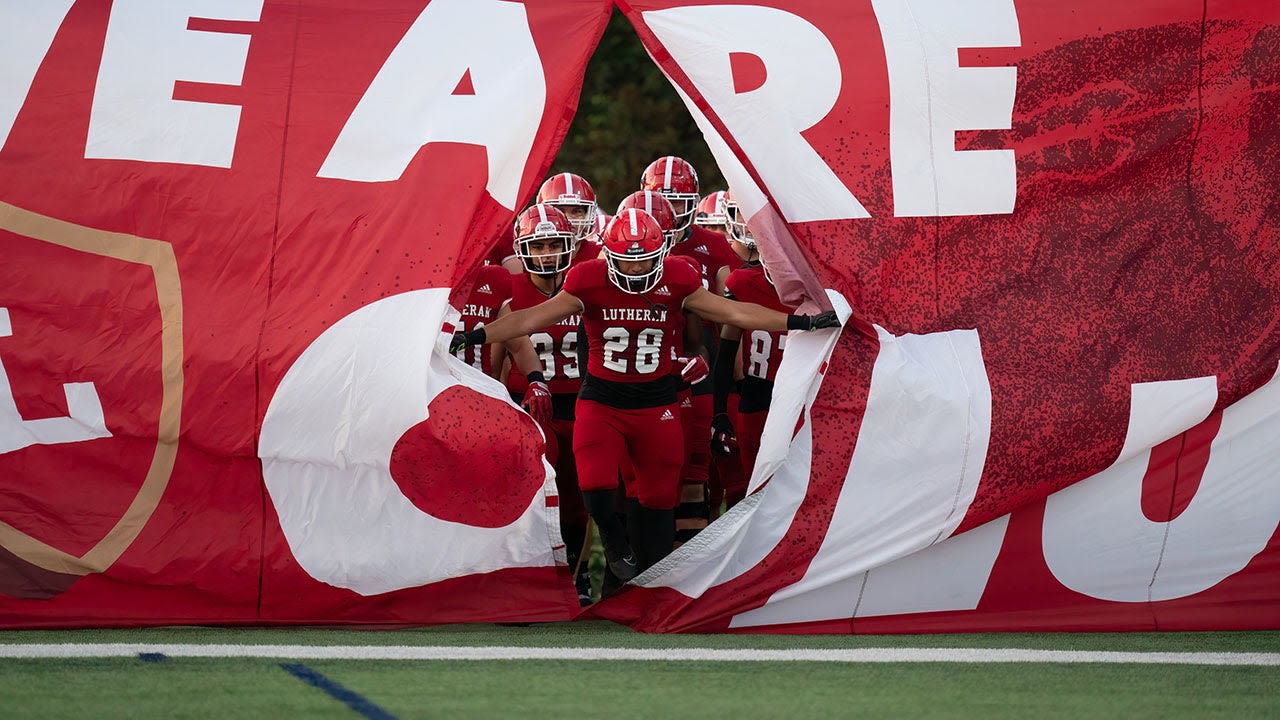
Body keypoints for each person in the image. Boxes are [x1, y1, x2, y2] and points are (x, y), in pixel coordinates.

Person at [451, 209, 840, 580]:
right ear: (608, 254)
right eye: (627, 260)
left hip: (657, 404)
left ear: (662, 253)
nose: (637, 269)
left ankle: (643, 584)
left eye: (645, 260)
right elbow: (530, 318)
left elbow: (734, 313)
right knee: (596, 489)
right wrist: (476, 334)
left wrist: (798, 322)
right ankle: (616, 546)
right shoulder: (588, 279)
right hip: (603, 400)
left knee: (657, 503)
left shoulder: (678, 278)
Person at [495, 203, 593, 604]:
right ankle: (530, 578)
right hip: (528, 408)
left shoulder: (585, 290)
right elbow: (497, 364)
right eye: (541, 245)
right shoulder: (512, 299)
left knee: (578, 502)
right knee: (532, 498)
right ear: (523, 249)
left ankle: (579, 575)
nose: (549, 253)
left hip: (582, 405)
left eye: (556, 243)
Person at [642, 158, 740, 540]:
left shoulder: (713, 245)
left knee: (698, 473)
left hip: (700, 363)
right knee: (647, 479)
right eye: (661, 199)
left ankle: (685, 569)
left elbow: (730, 307)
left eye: (679, 201)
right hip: (641, 367)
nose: (670, 210)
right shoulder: (624, 241)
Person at [710, 192, 793, 508]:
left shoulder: (817, 286)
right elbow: (726, 352)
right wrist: (719, 412)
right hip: (756, 395)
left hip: (800, 395)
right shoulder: (743, 281)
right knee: (750, 492)